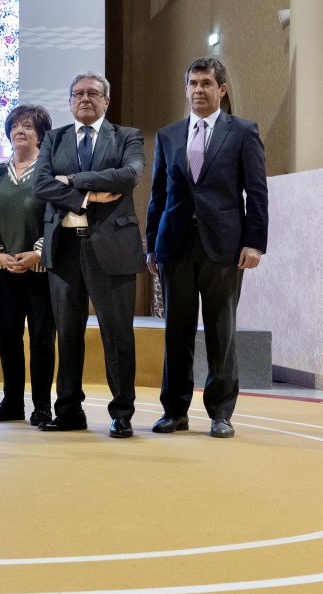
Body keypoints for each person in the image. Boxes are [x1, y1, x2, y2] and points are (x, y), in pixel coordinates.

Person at [146, 57, 268, 439]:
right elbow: (158, 196)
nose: (198, 89)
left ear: (222, 90)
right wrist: (151, 246)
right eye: (193, 83)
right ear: (186, 89)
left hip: (225, 247)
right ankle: (174, 412)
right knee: (175, 331)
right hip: (175, 246)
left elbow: (257, 193)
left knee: (221, 331)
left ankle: (220, 413)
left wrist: (255, 242)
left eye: (206, 83)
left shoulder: (243, 132)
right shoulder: (168, 135)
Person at [34, 72, 145, 438]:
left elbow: (129, 175)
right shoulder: (54, 137)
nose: (85, 98)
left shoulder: (127, 136)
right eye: (78, 93)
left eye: (93, 93)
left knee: (117, 334)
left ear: (106, 100)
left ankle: (122, 412)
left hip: (111, 250)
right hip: (64, 249)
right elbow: (41, 184)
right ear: (69, 101)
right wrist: (90, 196)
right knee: (66, 334)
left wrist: (74, 180)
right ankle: (68, 410)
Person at [0, 105, 56, 427]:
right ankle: (12, 403)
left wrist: (37, 252)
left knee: (41, 340)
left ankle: (41, 407)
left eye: (28, 126)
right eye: (16, 125)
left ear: (41, 133)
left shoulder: (50, 173)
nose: (20, 131)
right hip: (3, 271)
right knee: (7, 338)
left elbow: (58, 218)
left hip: (40, 272)